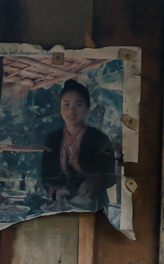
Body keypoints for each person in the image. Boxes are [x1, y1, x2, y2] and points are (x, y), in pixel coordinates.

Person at [39, 78, 117, 210]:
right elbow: (45, 176)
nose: (71, 110)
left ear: (87, 107)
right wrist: (56, 191)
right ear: (60, 106)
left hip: (94, 205)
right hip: (61, 205)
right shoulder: (52, 139)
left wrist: (93, 182)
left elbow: (111, 176)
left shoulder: (100, 138)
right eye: (66, 104)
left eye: (78, 104)